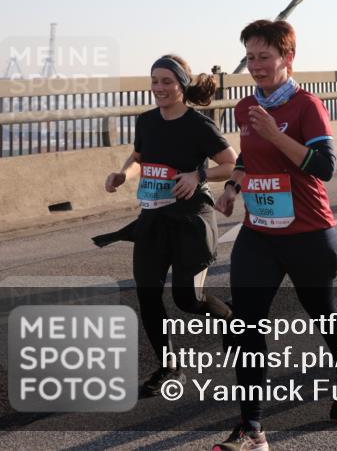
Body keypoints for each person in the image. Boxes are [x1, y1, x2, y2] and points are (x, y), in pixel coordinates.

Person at [212, 20, 337, 451]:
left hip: (309, 233)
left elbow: (325, 167)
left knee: (322, 313)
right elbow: (246, 158)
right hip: (259, 232)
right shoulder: (245, 109)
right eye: (251, 57)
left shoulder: (306, 106)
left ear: (287, 59)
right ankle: (252, 429)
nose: (256, 66)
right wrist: (230, 188)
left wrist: (276, 135)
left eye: (265, 57)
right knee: (247, 325)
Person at [99, 55, 236, 396]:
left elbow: (231, 164)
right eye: (154, 80)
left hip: (190, 220)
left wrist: (198, 175)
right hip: (153, 219)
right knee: (147, 295)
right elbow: (140, 159)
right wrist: (122, 174)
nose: (158, 88)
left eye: (166, 81)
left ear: (182, 85)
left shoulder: (198, 125)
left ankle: (233, 322)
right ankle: (169, 367)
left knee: (188, 300)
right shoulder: (146, 122)